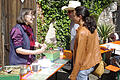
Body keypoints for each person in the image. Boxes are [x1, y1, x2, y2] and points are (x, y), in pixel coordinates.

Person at [70, 6, 102, 80]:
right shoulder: (92, 27)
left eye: (74, 15)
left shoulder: (82, 32)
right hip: (91, 64)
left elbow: (79, 56)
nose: (72, 17)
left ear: (80, 17)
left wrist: (73, 75)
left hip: (83, 67)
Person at [62, 1, 81, 72]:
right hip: (74, 50)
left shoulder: (81, 23)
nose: (68, 14)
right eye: (68, 12)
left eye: (70, 12)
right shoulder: (72, 22)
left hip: (79, 52)